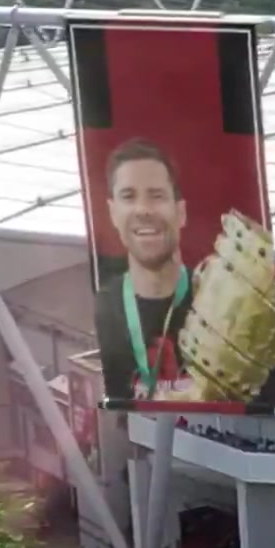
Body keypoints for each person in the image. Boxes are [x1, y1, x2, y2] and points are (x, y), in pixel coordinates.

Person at [94, 139, 195, 405]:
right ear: (113, 213)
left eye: (156, 195)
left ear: (181, 212)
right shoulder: (103, 308)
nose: (143, 210)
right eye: (129, 196)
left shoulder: (217, 299)